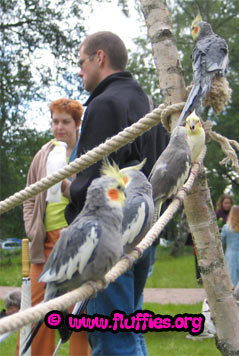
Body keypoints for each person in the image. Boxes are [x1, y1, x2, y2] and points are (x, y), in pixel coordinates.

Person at [64, 31, 169, 356]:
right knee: (129, 332)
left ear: (100, 57)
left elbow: (95, 183)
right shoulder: (146, 102)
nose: (79, 70)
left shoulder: (105, 103)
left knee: (112, 340)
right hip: (143, 232)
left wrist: (71, 188)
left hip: (108, 239)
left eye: (81, 62)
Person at [22, 98, 90, 356]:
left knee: (78, 312)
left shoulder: (87, 154)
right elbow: (29, 196)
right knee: (37, 309)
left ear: (77, 124)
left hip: (77, 242)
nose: (59, 127)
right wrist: (32, 229)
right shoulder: (43, 154)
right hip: (45, 242)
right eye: (55, 121)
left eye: (66, 122)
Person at [221, 205, 239, 287]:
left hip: (230, 254)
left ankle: (232, 295)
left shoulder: (226, 228)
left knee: (231, 275)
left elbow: (222, 242)